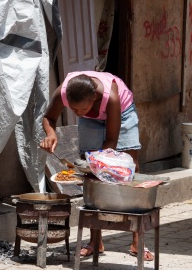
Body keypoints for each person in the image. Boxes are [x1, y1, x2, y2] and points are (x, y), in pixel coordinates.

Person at [40, 70, 154, 261]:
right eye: (73, 110)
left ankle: (137, 241)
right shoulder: (64, 93)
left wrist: (100, 165)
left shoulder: (112, 96)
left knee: (129, 170)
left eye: (81, 109)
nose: (77, 113)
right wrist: (51, 134)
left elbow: (110, 141)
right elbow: (48, 117)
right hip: (92, 120)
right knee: (92, 178)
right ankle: (95, 241)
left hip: (122, 114)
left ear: (94, 97)